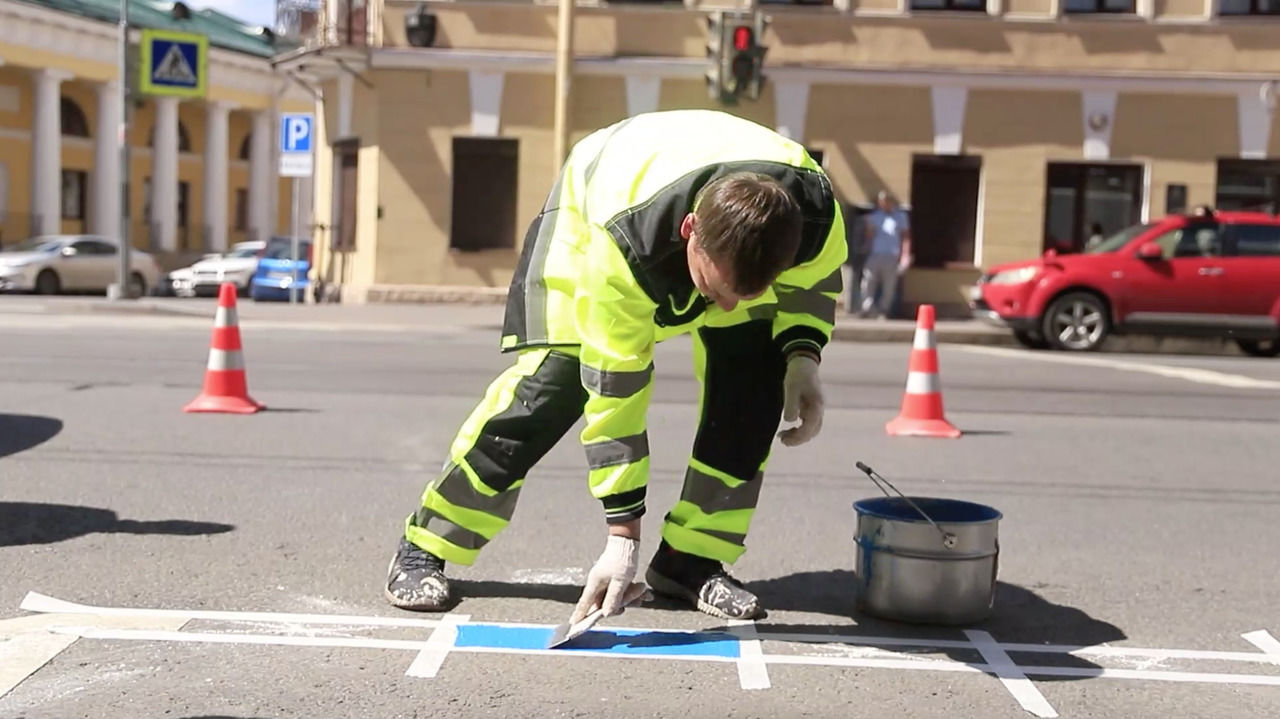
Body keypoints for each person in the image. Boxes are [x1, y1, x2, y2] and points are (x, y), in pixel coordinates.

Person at [383, 109, 847, 625]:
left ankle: (690, 560)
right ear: (690, 230)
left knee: (756, 379)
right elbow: (616, 390)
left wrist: (802, 358)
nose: (729, 308)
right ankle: (427, 539)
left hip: (707, 202)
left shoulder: (815, 216)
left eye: (748, 293)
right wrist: (622, 534)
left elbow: (811, 285)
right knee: (553, 383)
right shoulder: (622, 246)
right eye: (716, 290)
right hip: (597, 201)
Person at [859, 191, 911, 319]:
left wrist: (905, 255)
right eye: (881, 201)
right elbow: (869, 237)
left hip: (892, 255)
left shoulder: (900, 217)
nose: (883, 203)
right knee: (869, 281)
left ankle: (884, 310)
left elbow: (905, 237)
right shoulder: (875, 216)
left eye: (886, 201)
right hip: (875, 253)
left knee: (889, 285)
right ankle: (867, 307)